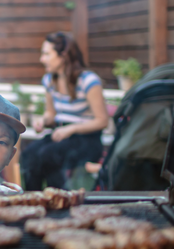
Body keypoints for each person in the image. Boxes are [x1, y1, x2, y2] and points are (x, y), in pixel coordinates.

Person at [20, 32, 109, 190]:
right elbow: (51, 114)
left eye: (46, 54)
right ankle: (34, 198)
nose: (42, 59)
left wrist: (71, 128)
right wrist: (43, 121)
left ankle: (60, 200)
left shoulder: (88, 81)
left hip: (87, 140)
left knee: (48, 155)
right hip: (62, 136)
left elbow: (102, 121)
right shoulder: (49, 80)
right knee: (29, 154)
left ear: (63, 55)